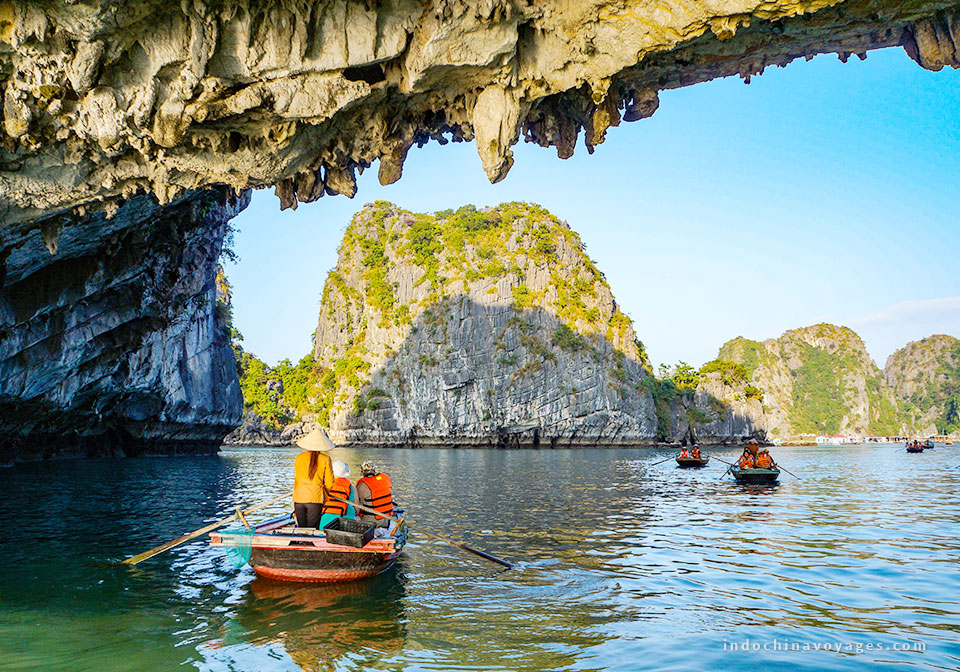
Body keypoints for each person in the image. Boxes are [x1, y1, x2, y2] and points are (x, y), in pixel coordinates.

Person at [292, 428, 335, 528]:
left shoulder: (298, 457)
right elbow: (330, 482)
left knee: (302, 529)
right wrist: (326, 495)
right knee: (312, 530)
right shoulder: (325, 459)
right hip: (315, 498)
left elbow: (297, 480)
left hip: (299, 498)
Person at [318, 460, 359, 529]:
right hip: (347, 520)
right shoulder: (352, 487)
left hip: (326, 522)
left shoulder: (325, 485)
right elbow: (357, 510)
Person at [356, 460, 393, 529]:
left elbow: (358, 506)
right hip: (386, 520)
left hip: (370, 522)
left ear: (362, 471)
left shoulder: (361, 485)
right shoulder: (385, 479)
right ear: (374, 469)